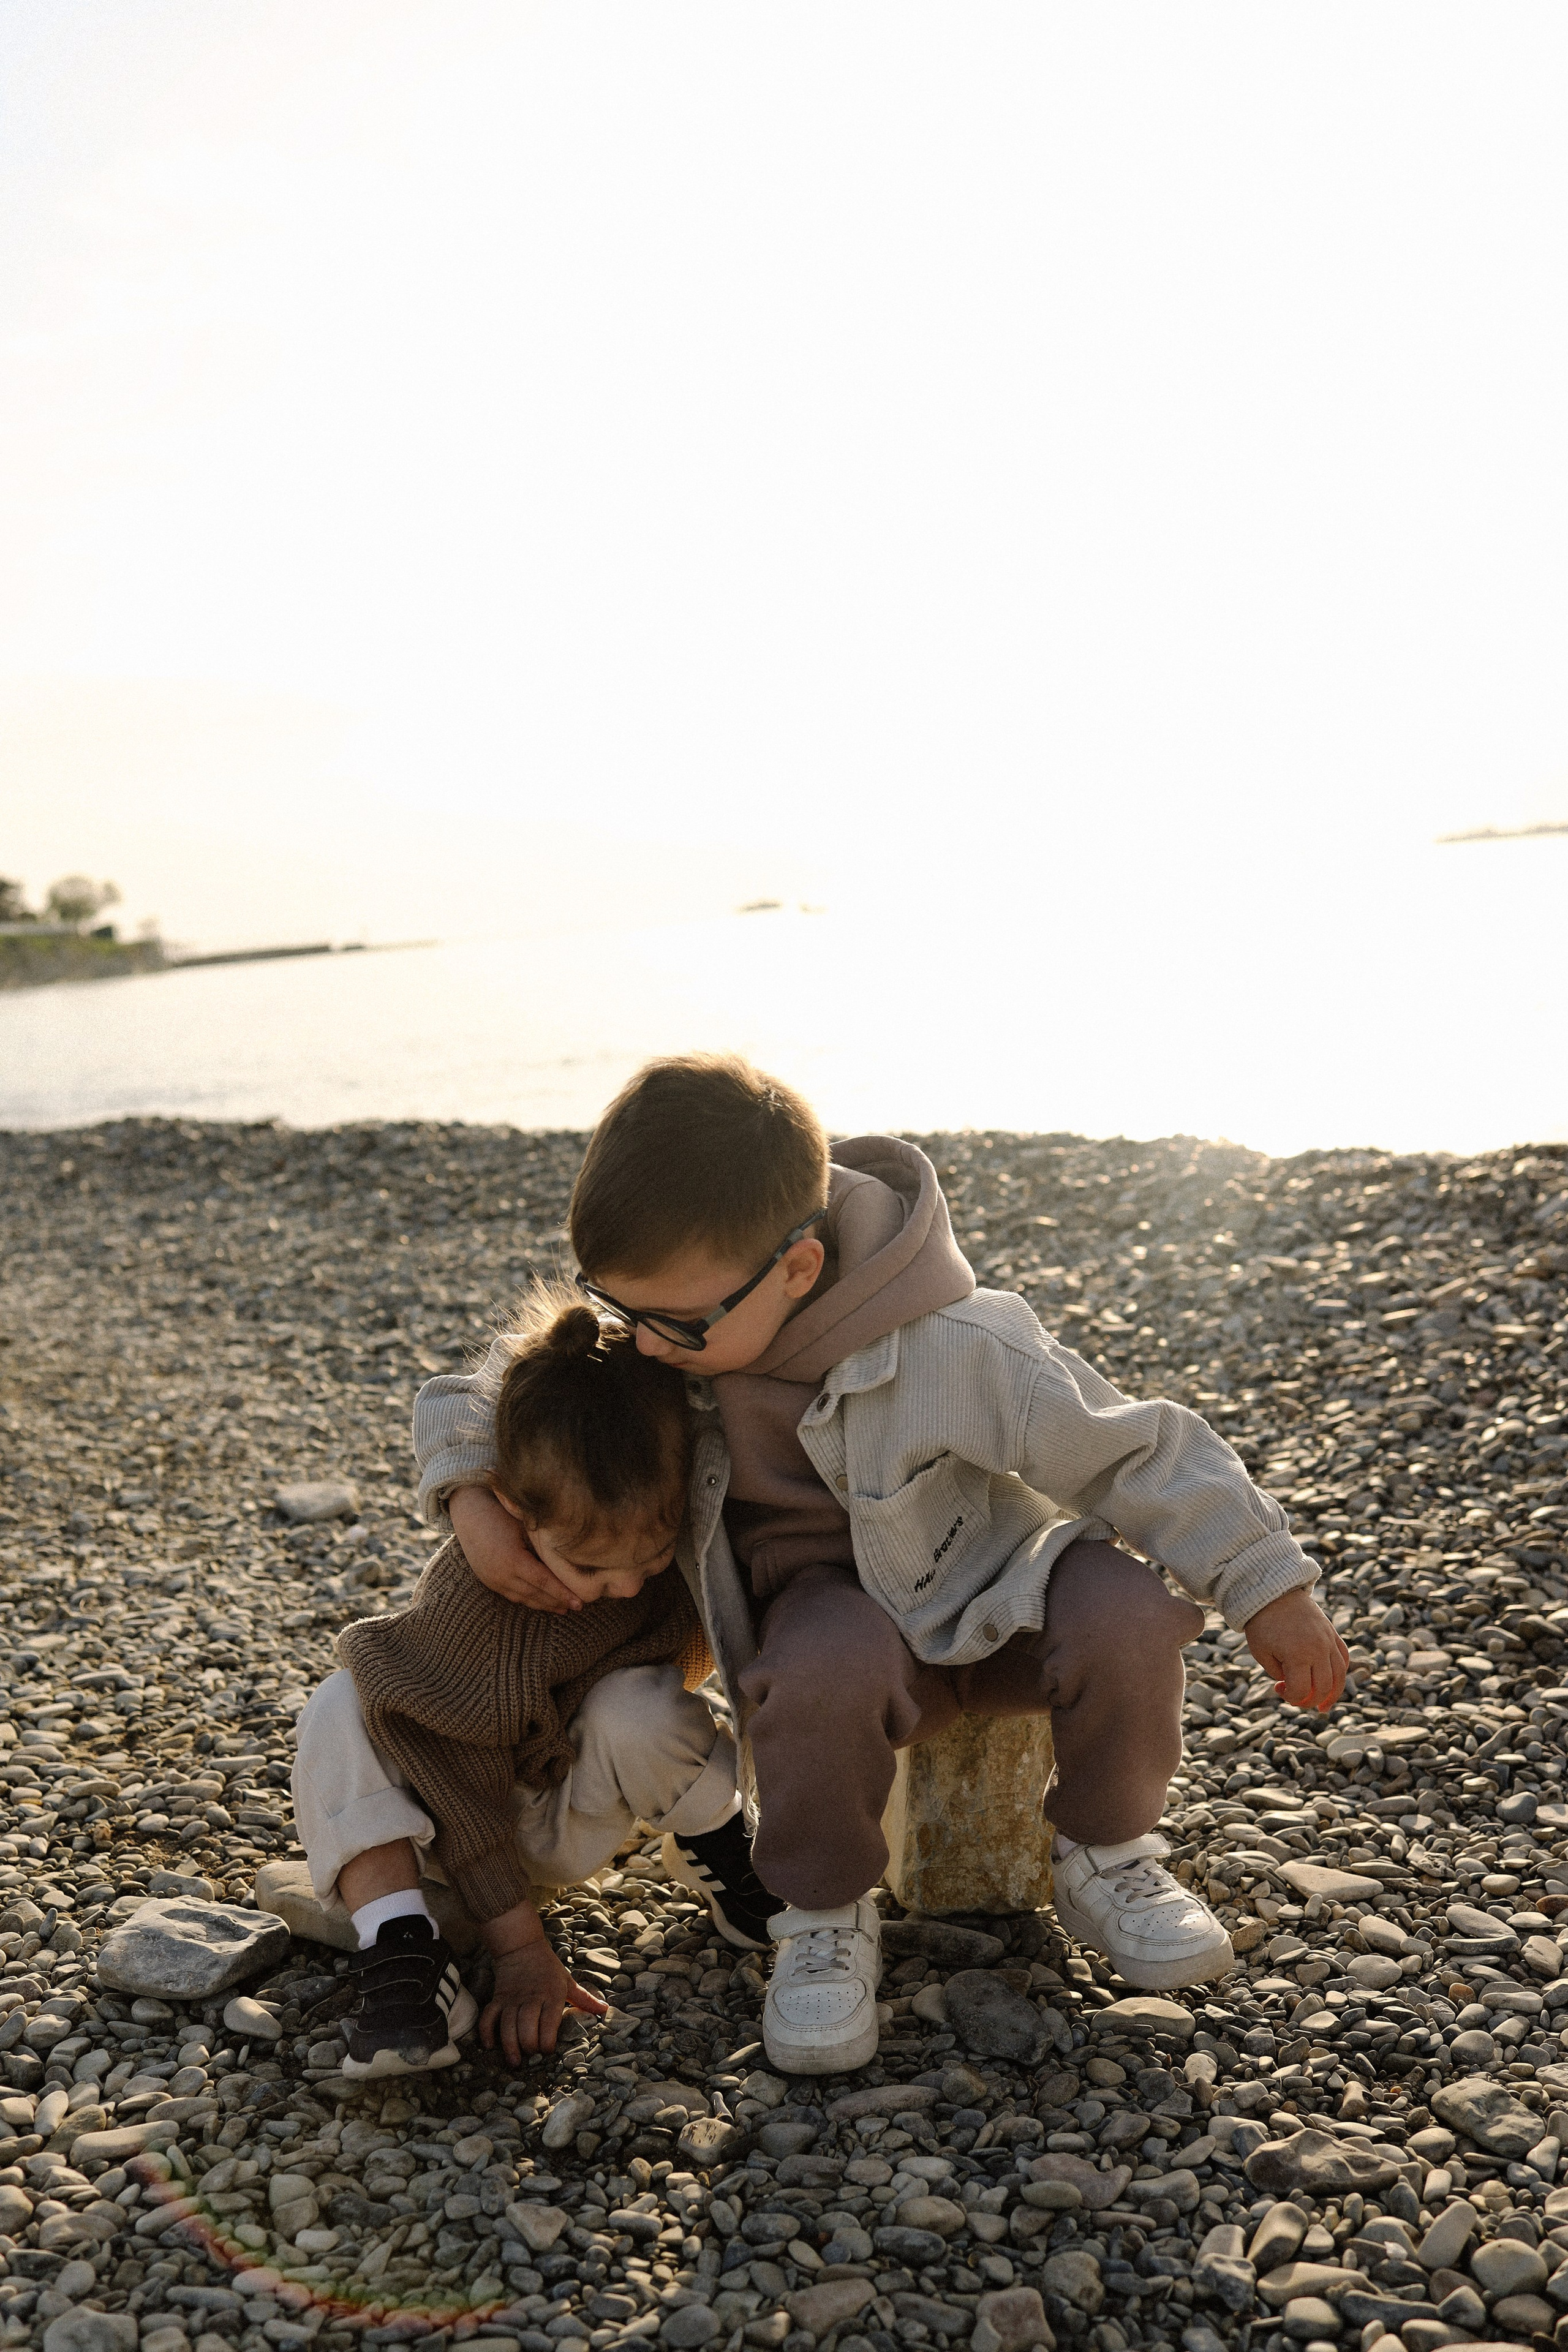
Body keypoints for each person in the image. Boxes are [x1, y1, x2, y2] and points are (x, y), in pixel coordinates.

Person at [415, 1056, 1349, 2075]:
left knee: (1125, 1606)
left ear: (798, 1270)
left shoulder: (955, 1342)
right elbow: (497, 1383)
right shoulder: (671, 1348)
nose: (638, 1342)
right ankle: (821, 1916)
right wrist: (470, 1489)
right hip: (826, 1618)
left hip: (993, 1593)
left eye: (671, 1322)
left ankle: (1106, 1852)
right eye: (618, 1307)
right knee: (822, 1666)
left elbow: (1140, 1451)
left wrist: (1271, 1585)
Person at [292, 1284, 773, 2081]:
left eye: (650, 1564)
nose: (624, 1587)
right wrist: (519, 1947)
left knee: (638, 1705)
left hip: (557, 1809)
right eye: (589, 1568)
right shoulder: (488, 1605)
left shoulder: (636, 1495)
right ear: (516, 1510)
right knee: (337, 1707)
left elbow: (565, 1373)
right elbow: (455, 1772)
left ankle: (725, 1850)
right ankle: (404, 1952)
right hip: (440, 1828)